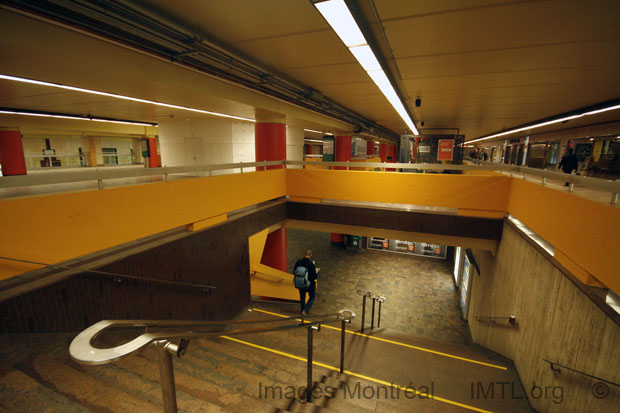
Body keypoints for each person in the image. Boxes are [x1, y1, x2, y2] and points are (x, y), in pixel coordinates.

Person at [293, 249, 319, 316]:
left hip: (299, 282)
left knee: (302, 297)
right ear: (310, 255)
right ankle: (306, 310)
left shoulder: (299, 262)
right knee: (312, 296)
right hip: (309, 284)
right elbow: (314, 276)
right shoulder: (311, 264)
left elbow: (294, 272)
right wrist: (316, 273)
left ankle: (302, 310)